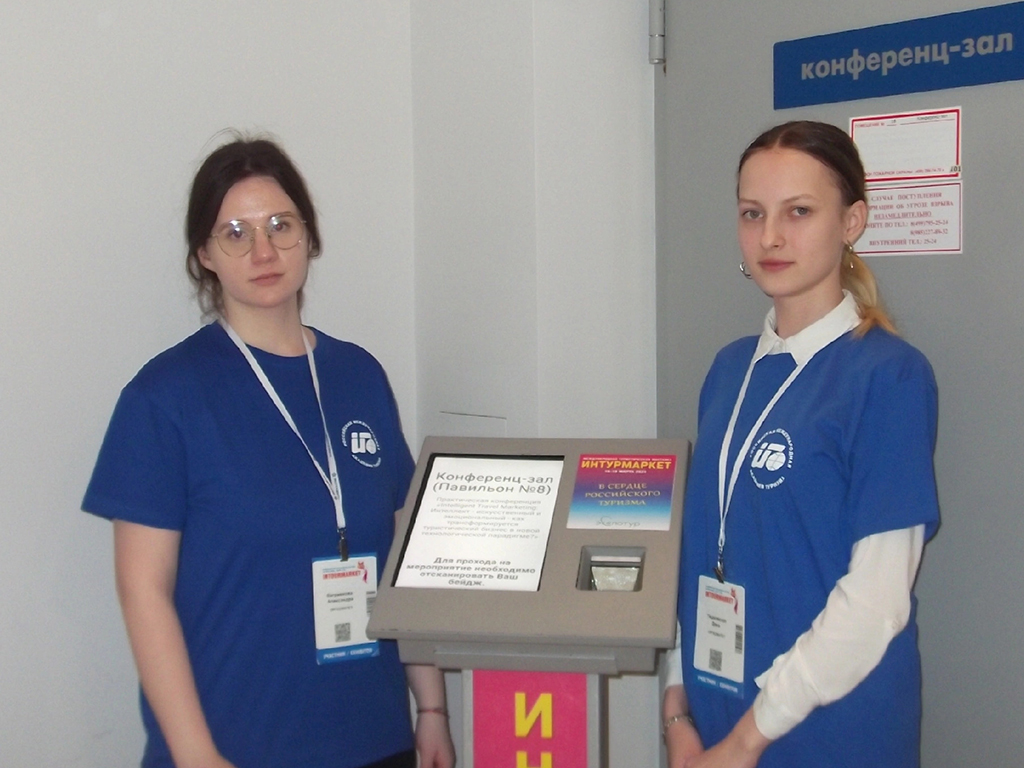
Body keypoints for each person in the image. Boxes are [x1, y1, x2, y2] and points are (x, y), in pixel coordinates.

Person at [83, 136, 455, 768]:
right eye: (235, 233)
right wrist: (196, 755)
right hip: (234, 746)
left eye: (281, 226)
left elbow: (402, 559)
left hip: (375, 736)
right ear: (204, 255)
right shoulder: (164, 397)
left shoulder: (359, 376)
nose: (263, 251)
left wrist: (433, 707)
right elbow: (143, 592)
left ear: (309, 236)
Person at [662, 121, 939, 768]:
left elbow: (876, 600)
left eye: (799, 212)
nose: (770, 237)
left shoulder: (889, 376)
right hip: (713, 722)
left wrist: (745, 742)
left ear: (851, 222)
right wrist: (677, 710)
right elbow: (701, 554)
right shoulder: (729, 370)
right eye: (752, 213)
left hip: (828, 730)